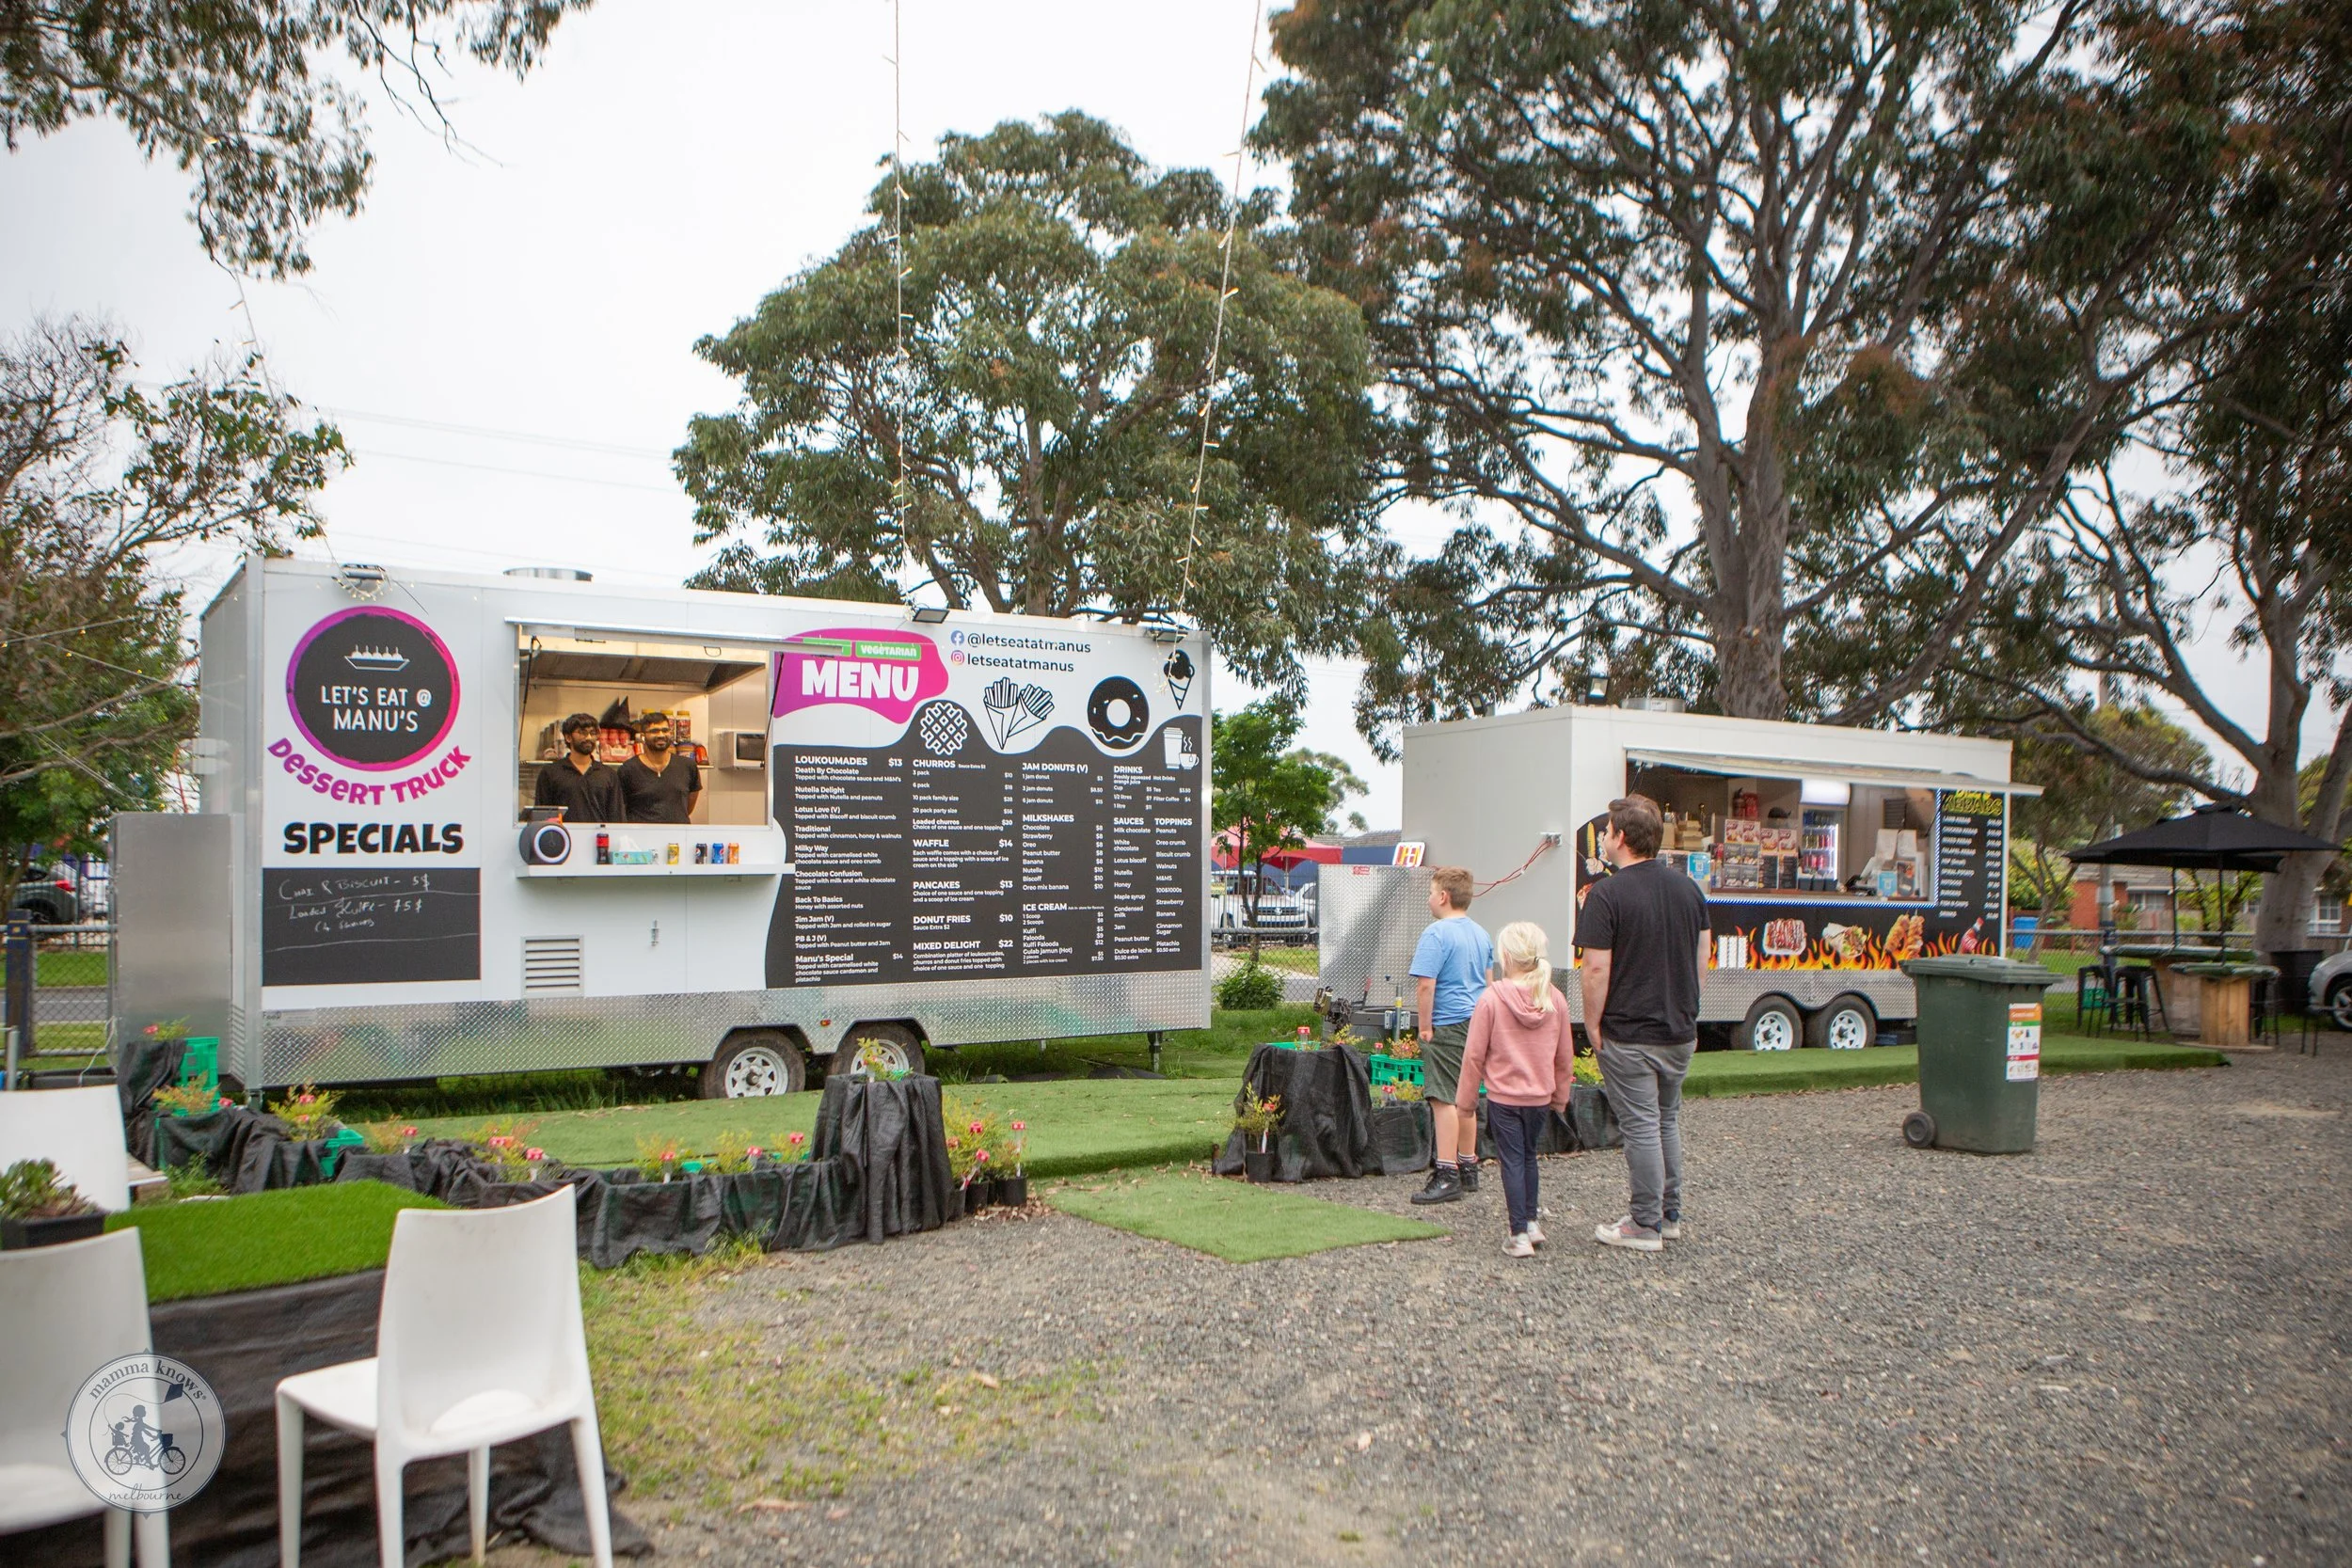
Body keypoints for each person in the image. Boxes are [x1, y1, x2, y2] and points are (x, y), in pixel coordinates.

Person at [1577, 794, 1711, 1252]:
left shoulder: (1606, 895)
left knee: (1640, 1125)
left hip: (1630, 1032)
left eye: (1608, 830)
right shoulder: (1689, 889)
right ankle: (1668, 1214)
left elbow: (1595, 969)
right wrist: (1690, 1007)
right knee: (1666, 1120)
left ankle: (1645, 1223)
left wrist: (1592, 1025)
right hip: (1679, 1029)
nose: (1604, 837)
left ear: (1621, 838)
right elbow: (1702, 955)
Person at [1455, 921, 1574, 1256]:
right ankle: (1531, 1222)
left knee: (1512, 1161)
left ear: (1504, 957)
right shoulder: (1554, 998)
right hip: (1539, 1097)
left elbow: (1474, 1056)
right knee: (1528, 1157)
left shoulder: (1491, 999)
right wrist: (1560, 1097)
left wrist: (1465, 1103)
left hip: (1504, 1098)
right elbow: (1564, 1055)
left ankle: (1518, 1232)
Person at [1407, 865, 1496, 1206]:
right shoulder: (1481, 934)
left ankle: (1446, 1174)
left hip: (1447, 1021)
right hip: (1477, 1019)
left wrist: (1425, 1026)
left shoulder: (1436, 933)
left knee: (1442, 1098)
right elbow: (1489, 984)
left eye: (1431, 892)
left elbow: (1426, 984)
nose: (1429, 898)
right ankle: (1467, 1165)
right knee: (1467, 1097)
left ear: (1443, 897)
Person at [532, 711, 624, 823]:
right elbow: (542, 817)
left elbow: (617, 817)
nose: (589, 737)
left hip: (599, 838)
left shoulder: (608, 775)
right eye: (582, 733)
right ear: (568, 737)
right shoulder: (550, 773)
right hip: (563, 837)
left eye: (593, 733)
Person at [618, 710, 701, 824]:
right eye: (654, 731)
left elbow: (688, 807)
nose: (661, 735)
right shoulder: (628, 769)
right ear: (643, 736)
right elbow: (621, 809)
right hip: (640, 838)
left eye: (665, 730)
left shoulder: (688, 766)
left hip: (678, 837)